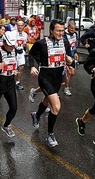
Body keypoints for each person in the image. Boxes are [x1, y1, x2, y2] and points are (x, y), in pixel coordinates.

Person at [29, 19, 74, 147]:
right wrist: (32, 66)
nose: (61, 33)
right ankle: (50, 134)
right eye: (58, 30)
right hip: (45, 77)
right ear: (51, 30)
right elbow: (31, 54)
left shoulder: (65, 43)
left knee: (47, 100)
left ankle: (36, 115)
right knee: (56, 106)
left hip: (57, 77)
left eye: (62, 30)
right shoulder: (42, 43)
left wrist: (70, 61)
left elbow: (69, 59)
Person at [63, 20, 79, 96]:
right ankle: (66, 88)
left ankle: (64, 81)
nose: (73, 30)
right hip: (65, 56)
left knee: (72, 73)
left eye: (74, 28)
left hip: (72, 55)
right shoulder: (63, 34)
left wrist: (75, 52)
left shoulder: (75, 34)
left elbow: (75, 44)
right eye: (71, 28)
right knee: (69, 72)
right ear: (68, 27)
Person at [14, 20, 28, 90]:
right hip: (13, 52)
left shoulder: (25, 34)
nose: (20, 27)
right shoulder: (13, 33)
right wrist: (14, 46)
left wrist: (24, 45)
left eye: (21, 25)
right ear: (17, 26)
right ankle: (10, 82)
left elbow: (24, 43)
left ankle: (18, 82)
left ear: (23, 26)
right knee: (13, 68)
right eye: (18, 25)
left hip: (21, 52)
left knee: (21, 67)